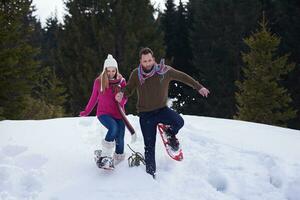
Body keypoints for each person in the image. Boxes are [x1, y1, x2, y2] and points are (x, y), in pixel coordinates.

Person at [115, 47, 210, 178]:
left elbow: (182, 76)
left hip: (162, 110)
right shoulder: (136, 74)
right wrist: (122, 93)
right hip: (145, 115)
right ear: (140, 61)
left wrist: (198, 87)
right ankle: (151, 175)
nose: (147, 63)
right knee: (149, 147)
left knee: (179, 121)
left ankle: (169, 133)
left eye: (149, 60)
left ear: (153, 59)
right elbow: (129, 88)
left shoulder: (164, 71)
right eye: (144, 61)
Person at [80, 54, 127, 169]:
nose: (111, 73)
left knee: (120, 138)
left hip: (119, 114)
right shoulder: (99, 82)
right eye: (108, 71)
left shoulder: (121, 82)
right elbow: (93, 98)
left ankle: (118, 161)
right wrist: (86, 111)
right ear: (104, 70)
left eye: (113, 70)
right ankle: (105, 157)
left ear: (116, 70)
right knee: (113, 128)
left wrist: (120, 97)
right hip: (104, 113)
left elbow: (125, 99)